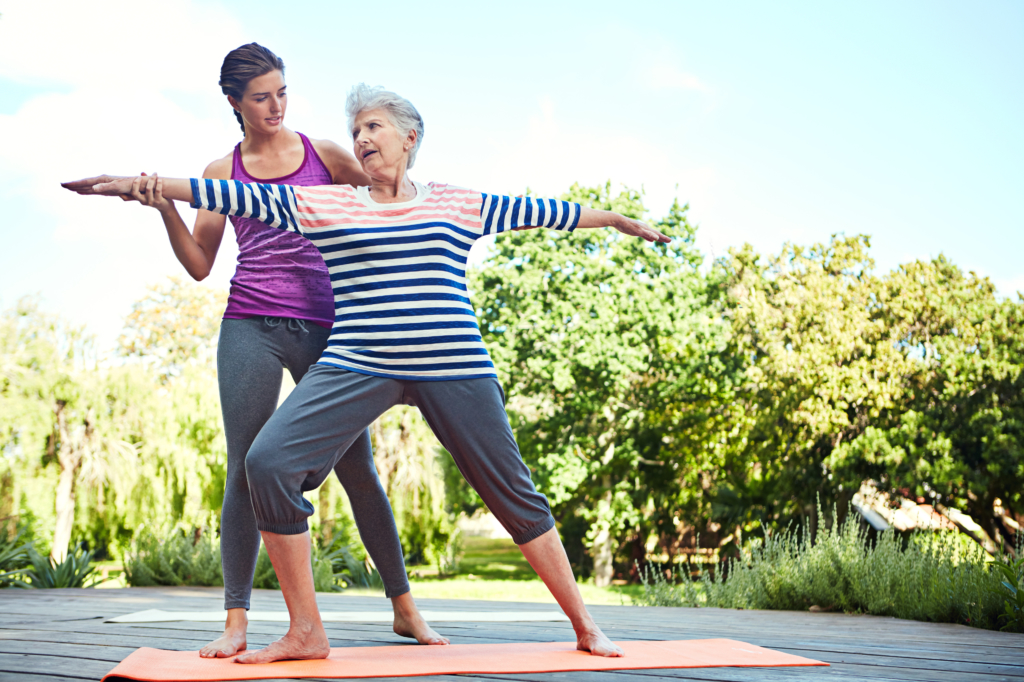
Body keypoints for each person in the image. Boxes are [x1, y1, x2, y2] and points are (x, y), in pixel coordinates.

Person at [63, 83, 670, 664]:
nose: (361, 140)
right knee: (267, 463)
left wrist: (615, 219)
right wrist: (137, 185)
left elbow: (547, 211)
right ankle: (306, 631)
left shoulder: (457, 202)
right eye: (356, 131)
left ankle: (586, 625)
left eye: (374, 127)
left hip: (454, 364)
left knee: (511, 492)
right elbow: (227, 195)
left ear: (410, 137)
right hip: (359, 362)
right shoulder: (328, 205)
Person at [62, 48, 446, 658]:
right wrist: (166, 207)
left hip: (328, 324)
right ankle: (237, 619)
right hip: (250, 323)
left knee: (358, 470)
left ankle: (404, 608)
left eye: (283, 92)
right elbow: (198, 265)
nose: (277, 106)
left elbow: (388, 201)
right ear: (236, 103)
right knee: (245, 463)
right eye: (262, 96)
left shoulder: (326, 155)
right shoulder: (222, 170)